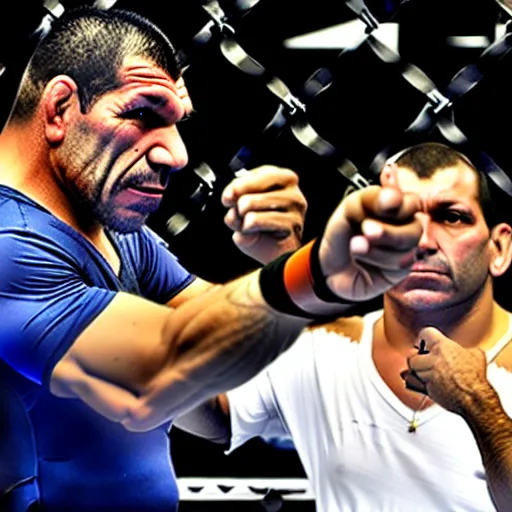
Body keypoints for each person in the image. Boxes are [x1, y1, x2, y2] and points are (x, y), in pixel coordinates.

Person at [0, 6, 424, 512]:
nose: (176, 155)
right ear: (60, 109)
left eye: (177, 124)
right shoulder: (10, 244)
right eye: (143, 115)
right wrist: (314, 274)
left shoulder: (114, 232)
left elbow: (218, 401)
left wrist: (280, 260)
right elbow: (157, 371)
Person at [176, 142, 512, 511]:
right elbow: (191, 403)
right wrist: (279, 280)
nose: (423, 241)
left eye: (451, 217)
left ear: (499, 248)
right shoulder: (326, 349)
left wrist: (479, 403)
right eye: (400, 219)